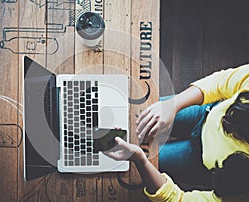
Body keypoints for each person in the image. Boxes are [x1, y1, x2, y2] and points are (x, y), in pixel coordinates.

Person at [105, 64, 249, 201]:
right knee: (134, 114)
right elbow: (221, 82)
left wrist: (140, 160)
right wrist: (172, 105)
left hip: (197, 161)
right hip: (205, 113)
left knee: (125, 162)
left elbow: (179, 199)